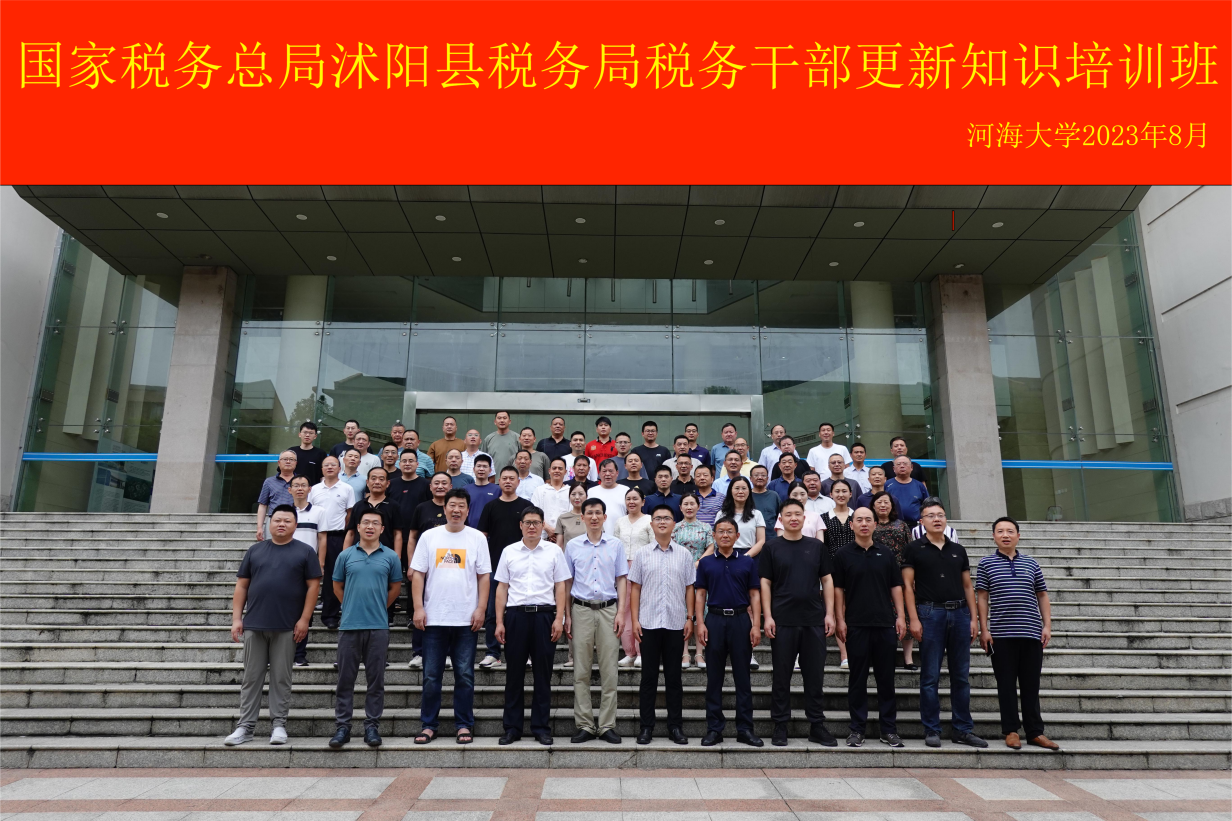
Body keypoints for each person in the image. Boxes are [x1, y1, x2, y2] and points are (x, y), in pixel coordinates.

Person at [225, 504, 322, 747]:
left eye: (287, 521)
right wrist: (237, 619)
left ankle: (279, 725)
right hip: (254, 624)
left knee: (281, 678)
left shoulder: (305, 551)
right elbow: (242, 585)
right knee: (251, 678)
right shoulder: (255, 550)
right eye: (277, 520)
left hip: (287, 626)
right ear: (270, 523)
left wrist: (304, 619)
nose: (281, 524)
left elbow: (313, 586)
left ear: (295, 525)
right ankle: (245, 727)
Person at [902, 497, 986, 748]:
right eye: (931, 516)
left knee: (961, 676)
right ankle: (932, 729)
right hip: (930, 614)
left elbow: (968, 586)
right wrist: (913, 619)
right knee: (930, 676)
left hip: (959, 614)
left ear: (946, 519)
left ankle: (963, 729)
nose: (936, 519)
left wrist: (974, 618)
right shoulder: (914, 549)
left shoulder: (957, 549)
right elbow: (907, 586)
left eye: (940, 515)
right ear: (921, 521)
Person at [410, 488, 491, 746]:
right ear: (444, 508)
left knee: (464, 675)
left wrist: (481, 608)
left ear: (468, 510)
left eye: (461, 506)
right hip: (434, 617)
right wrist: (418, 607)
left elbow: (484, 577)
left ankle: (464, 724)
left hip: (465, 619)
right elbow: (418, 573)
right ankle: (428, 725)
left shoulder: (477, 538)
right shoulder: (429, 536)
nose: (456, 510)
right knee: (431, 676)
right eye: (452, 505)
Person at [976, 517, 1059, 752]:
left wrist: (1047, 625)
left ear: (1018, 536)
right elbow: (982, 597)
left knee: (1031, 684)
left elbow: (1042, 595)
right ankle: (1011, 731)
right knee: (1006, 684)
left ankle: (1035, 732)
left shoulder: (1031, 563)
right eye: (1000, 531)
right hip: (1001, 635)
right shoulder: (986, 564)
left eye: (1010, 531)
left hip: (1031, 633)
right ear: (994, 536)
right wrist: (984, 629)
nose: (1005, 535)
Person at [760, 498, 837, 747]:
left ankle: (817, 725)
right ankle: (780, 725)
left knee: (814, 675)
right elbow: (765, 583)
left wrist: (829, 614)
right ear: (780, 519)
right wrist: (768, 616)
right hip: (783, 619)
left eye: (798, 514)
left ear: (805, 518)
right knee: (781, 675)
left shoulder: (816, 546)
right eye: (788, 514)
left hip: (813, 619)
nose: (793, 518)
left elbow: (827, 580)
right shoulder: (771, 547)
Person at [495, 506, 571, 746]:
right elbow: (502, 588)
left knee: (543, 674)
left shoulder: (553, 551)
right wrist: (499, 621)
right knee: (514, 675)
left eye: (536, 522)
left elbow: (560, 586)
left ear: (542, 526)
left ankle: (541, 727)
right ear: (520, 525)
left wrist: (559, 618)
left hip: (544, 617)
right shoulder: (509, 551)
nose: (531, 526)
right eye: (527, 522)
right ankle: (512, 728)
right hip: (516, 616)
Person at [832, 507, 906, 749]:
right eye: (859, 520)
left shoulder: (886, 554)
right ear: (851, 525)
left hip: (884, 624)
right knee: (857, 680)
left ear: (875, 524)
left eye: (868, 520)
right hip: (856, 625)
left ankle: (889, 730)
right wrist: (840, 619)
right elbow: (838, 590)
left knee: (886, 680)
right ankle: (857, 729)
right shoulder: (842, 555)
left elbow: (896, 586)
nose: (864, 523)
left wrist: (901, 616)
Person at [328, 510, 402, 749]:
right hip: (350, 625)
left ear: (382, 529)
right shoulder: (345, 555)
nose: (370, 526)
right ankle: (343, 727)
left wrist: (378, 606)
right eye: (366, 522)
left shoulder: (390, 556)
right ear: (358, 527)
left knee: (376, 680)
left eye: (375, 523)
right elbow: (337, 586)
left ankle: (372, 726)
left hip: (378, 627)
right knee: (345, 680)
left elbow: (395, 588)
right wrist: (350, 605)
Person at [630, 505, 696, 745]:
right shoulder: (642, 554)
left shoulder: (684, 554)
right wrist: (635, 620)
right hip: (648, 623)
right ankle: (646, 727)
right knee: (648, 679)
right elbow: (635, 588)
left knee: (674, 678)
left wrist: (689, 618)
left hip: (675, 623)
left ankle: (675, 727)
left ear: (674, 524)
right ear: (651, 524)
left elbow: (690, 587)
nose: (661, 522)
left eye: (666, 518)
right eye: (657, 518)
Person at [563, 498, 628, 744]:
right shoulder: (573, 546)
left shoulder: (615, 545)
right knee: (581, 670)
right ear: (582, 517)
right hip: (580, 610)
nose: (593, 517)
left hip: (608, 610)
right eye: (589, 513)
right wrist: (567, 615)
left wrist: (621, 613)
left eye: (598, 513)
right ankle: (585, 725)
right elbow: (567, 582)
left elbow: (622, 579)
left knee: (609, 670)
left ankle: (607, 725)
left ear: (604, 517)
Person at [695, 516, 763, 747]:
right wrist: (700, 623)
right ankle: (714, 729)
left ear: (737, 536)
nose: (725, 535)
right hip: (714, 620)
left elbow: (754, 594)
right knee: (714, 678)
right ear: (714, 535)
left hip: (740, 620)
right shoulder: (706, 563)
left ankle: (745, 729)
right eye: (721, 531)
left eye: (729, 531)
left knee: (743, 678)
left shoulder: (747, 562)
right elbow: (700, 594)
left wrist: (755, 625)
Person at [477, 467, 532, 668]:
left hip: (522, 567)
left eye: (512, 478)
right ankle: (493, 653)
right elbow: (482, 536)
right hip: (494, 566)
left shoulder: (526, 506)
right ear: (499, 481)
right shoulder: (490, 506)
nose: (508, 481)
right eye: (504, 478)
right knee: (493, 612)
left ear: (518, 482)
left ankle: (525, 653)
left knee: (522, 612)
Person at [404, 472, 452, 664]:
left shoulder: (455, 508)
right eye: (436, 483)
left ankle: (447, 653)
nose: (440, 486)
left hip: (450, 566)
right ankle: (419, 652)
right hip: (424, 566)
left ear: (450, 487)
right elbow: (412, 537)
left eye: (444, 483)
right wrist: (411, 564)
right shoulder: (421, 508)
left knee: (447, 607)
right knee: (421, 608)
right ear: (430, 487)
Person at [308, 455, 354, 630]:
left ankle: (330, 616)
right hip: (314, 536)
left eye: (333, 465)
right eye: (326, 465)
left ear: (339, 469)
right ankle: (305, 614)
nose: (329, 467)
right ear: (321, 469)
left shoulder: (347, 488)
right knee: (309, 574)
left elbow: (349, 513)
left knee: (333, 576)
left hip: (336, 537)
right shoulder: (314, 489)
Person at [871, 490, 915, 670]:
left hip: (900, 573)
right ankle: (879, 654)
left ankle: (908, 658)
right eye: (879, 502)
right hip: (876, 575)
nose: (883, 505)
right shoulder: (870, 524)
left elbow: (910, 550)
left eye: (886, 502)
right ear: (873, 506)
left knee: (904, 613)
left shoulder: (902, 525)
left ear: (892, 506)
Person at [673, 491, 714, 669]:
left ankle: (699, 653)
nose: (689, 507)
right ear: (680, 507)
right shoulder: (675, 528)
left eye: (692, 504)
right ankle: (684, 652)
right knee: (683, 612)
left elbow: (711, 547)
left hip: (700, 571)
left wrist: (699, 562)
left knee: (700, 612)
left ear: (698, 506)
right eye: (686, 504)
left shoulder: (706, 527)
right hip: (679, 571)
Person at [287, 475, 324, 666]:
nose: (300, 488)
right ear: (289, 489)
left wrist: (321, 563)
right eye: (296, 485)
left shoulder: (319, 511)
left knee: (305, 610)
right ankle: (281, 652)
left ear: (310, 489)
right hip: (283, 567)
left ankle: (299, 653)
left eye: (303, 485)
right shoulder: (283, 512)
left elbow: (322, 539)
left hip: (307, 567)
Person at [614, 486, 653, 667]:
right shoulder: (620, 521)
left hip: (643, 567)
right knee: (625, 609)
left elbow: (653, 546)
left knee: (642, 609)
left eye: (635, 498)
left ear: (643, 502)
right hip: (623, 569)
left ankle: (642, 651)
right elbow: (615, 546)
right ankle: (629, 652)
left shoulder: (649, 520)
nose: (631, 502)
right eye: (628, 499)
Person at [822, 479, 857, 668]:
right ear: (831, 495)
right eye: (837, 491)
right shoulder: (823, 517)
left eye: (844, 491)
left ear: (851, 494)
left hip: (857, 566)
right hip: (833, 568)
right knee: (838, 610)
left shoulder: (858, 516)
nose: (841, 494)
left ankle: (857, 650)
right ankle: (844, 654)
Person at [719, 476, 766, 560]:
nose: (740, 492)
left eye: (744, 488)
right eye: (737, 488)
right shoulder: (721, 514)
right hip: (726, 555)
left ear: (749, 491)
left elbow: (761, 541)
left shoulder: (757, 514)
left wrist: (746, 557)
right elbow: (717, 538)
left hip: (750, 556)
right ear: (730, 491)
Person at [256, 450, 297, 540]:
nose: (288, 461)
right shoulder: (269, 482)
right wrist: (259, 527)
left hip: (295, 520)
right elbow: (262, 505)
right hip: (274, 520)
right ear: (279, 463)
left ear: (296, 463)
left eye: (291, 459)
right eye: (285, 459)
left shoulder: (300, 481)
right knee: (272, 546)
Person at [531, 457, 572, 541]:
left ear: (565, 472)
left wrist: (559, 531)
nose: (557, 471)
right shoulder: (540, 490)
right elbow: (534, 512)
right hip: (543, 536)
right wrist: (547, 528)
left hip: (565, 536)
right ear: (549, 471)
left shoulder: (571, 491)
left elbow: (572, 513)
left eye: (560, 468)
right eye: (554, 468)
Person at [885, 455, 929, 528]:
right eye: (898, 464)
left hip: (915, 526)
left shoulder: (919, 485)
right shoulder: (887, 484)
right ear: (894, 469)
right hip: (893, 526)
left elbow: (927, 506)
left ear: (911, 467)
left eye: (905, 463)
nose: (902, 466)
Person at [587, 459, 628, 536]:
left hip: (621, 535)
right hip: (596, 536)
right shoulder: (591, 492)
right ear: (599, 474)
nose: (607, 474)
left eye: (611, 471)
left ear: (617, 473)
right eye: (604, 471)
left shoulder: (626, 490)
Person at [464, 455, 500, 527]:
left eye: (485, 466)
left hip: (491, 530)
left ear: (490, 470)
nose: (481, 469)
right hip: (470, 529)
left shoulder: (498, 489)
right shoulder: (465, 489)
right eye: (479, 466)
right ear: (474, 469)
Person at [554, 482, 591, 549]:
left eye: (581, 494)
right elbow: (559, 545)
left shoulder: (593, 517)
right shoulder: (562, 518)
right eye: (573, 494)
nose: (577, 497)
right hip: (569, 555)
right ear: (569, 496)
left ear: (586, 496)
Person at [293, 421, 327, 486]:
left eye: (311, 433)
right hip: (294, 489)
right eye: (305, 432)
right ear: (299, 434)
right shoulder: (292, 452)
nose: (307, 435)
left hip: (313, 489)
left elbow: (323, 475)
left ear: (315, 436)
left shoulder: (321, 453)